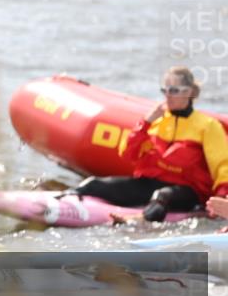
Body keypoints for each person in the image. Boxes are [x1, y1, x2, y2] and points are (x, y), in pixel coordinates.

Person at [76, 66, 228, 222]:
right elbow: (128, 154)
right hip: (150, 184)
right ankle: (58, 201)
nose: (168, 96)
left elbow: (222, 166)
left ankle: (137, 220)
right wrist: (145, 123)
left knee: (162, 196)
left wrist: (221, 199)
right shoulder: (155, 123)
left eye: (174, 91)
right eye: (165, 90)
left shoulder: (208, 126)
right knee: (93, 184)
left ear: (189, 92)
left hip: (188, 192)